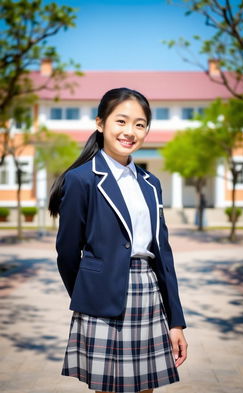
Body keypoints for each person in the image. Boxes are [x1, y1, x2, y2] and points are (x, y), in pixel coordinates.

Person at [48, 87, 188, 393]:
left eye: (140, 124)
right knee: (108, 389)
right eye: (121, 121)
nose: (130, 131)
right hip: (101, 299)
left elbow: (163, 255)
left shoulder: (151, 184)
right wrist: (90, 295)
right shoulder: (82, 179)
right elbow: (67, 254)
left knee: (146, 388)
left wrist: (175, 322)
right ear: (101, 123)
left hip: (148, 294)